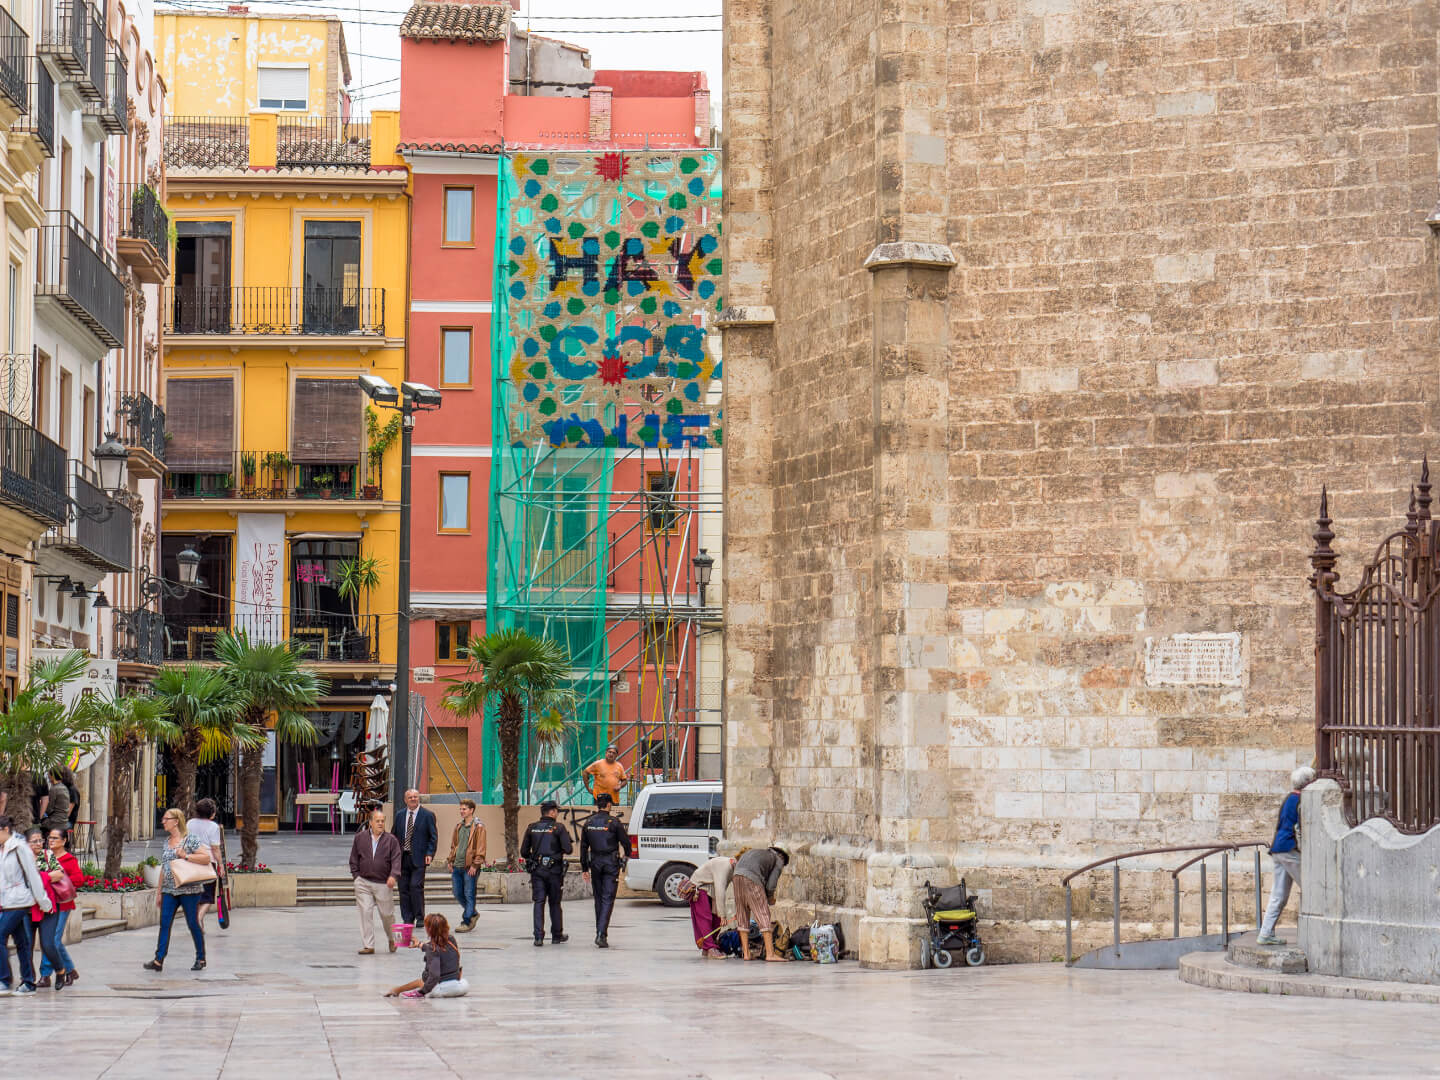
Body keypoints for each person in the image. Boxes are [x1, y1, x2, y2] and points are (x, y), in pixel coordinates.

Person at [143, 807, 212, 973]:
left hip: (189, 890)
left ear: (176, 821)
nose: (163, 822)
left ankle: (201, 957)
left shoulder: (190, 840)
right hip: (169, 890)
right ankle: (159, 959)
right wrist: (159, 891)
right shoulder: (166, 842)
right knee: (165, 924)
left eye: (166, 819)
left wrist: (185, 855)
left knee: (192, 923)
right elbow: (164, 868)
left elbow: (206, 858)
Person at [1257, 766, 1316, 945]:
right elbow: (1298, 829)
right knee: (1313, 888)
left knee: (1279, 894)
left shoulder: (1289, 798)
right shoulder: (1301, 801)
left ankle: (1265, 933)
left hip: (1278, 848)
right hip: (1290, 849)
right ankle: (1314, 932)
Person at [0, 815, 51, 995]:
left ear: (6, 830)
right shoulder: (3, 849)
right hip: (7, 902)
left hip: (20, 901)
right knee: (22, 943)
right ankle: (28, 983)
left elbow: (33, 875)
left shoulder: (20, 848)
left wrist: (44, 902)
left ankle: (4, 980)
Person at [579, 793, 629, 948]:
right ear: (608, 805)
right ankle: (601, 933)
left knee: (599, 899)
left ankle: (600, 931)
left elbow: (583, 847)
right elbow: (626, 843)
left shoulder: (589, 822)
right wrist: (625, 856)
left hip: (595, 862)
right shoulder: (614, 822)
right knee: (608, 898)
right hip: (610, 863)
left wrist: (584, 867)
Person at [520, 801, 573, 946]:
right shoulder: (559, 828)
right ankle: (557, 935)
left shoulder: (532, 827)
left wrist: (536, 857)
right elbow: (568, 850)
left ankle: (538, 936)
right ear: (552, 812)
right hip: (554, 871)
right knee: (555, 903)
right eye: (556, 811)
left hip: (537, 871)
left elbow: (524, 852)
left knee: (539, 902)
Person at [350, 807, 401, 955]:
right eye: (377, 821)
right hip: (363, 882)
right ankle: (368, 945)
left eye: (382, 821)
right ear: (370, 822)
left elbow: (396, 860)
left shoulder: (391, 840)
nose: (380, 823)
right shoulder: (360, 837)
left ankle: (394, 940)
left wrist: (393, 875)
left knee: (388, 915)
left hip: (384, 883)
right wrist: (356, 877)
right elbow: (353, 858)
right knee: (365, 912)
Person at [36, 828, 81, 988]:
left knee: (53, 940)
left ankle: (45, 975)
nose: (51, 840)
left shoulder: (69, 859)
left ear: (64, 841)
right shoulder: (44, 856)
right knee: (51, 941)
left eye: (55, 838)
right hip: (47, 903)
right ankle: (69, 970)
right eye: (50, 838)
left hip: (62, 904)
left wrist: (59, 877)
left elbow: (79, 879)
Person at [384, 913, 468, 999]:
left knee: (422, 982)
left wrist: (421, 992)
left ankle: (396, 990)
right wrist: (419, 944)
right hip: (460, 986)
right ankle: (396, 990)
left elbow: (435, 975)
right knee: (423, 981)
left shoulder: (432, 949)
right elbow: (435, 947)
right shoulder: (451, 939)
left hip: (442, 990)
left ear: (429, 930)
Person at [733, 846, 790, 962]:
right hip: (752, 879)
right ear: (783, 856)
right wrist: (770, 898)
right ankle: (770, 954)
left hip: (736, 876)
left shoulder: (758, 852)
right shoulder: (778, 860)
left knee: (742, 914)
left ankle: (746, 953)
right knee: (763, 914)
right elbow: (771, 884)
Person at [26, 829, 67, 991]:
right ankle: (28, 978)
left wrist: (38, 878)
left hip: (48, 907)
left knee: (48, 944)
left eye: (40, 840)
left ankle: (60, 970)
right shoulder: (22, 858)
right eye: (34, 841)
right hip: (26, 908)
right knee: (26, 945)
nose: (38, 844)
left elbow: (59, 874)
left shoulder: (48, 855)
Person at [391, 788, 437, 930]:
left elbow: (433, 837)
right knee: (403, 889)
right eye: (410, 797)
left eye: (415, 797)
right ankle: (407, 918)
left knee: (415, 887)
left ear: (419, 799)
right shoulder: (399, 815)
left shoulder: (428, 815)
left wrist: (430, 853)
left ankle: (419, 917)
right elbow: (393, 836)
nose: (413, 799)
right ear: (405, 800)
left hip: (419, 858)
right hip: (402, 858)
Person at [445, 799, 486, 933]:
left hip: (470, 867)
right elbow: (454, 846)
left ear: (471, 810)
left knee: (469, 894)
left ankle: (467, 921)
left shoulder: (479, 827)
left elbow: (481, 848)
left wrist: (475, 864)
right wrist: (450, 861)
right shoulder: (458, 826)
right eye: (461, 809)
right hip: (457, 866)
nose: (461, 811)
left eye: (464, 809)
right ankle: (473, 913)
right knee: (457, 893)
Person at [687, 854, 736, 958]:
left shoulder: (734, 869)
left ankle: (708, 947)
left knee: (717, 920)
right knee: (705, 918)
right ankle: (710, 948)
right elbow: (720, 890)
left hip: (711, 890)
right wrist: (723, 914)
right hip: (700, 887)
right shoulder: (725, 866)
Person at [187, 798, 225, 930]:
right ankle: (198, 919)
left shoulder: (190, 823)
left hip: (192, 862)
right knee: (208, 897)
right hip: (208, 863)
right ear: (212, 813)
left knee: (197, 894)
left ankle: (200, 924)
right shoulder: (213, 827)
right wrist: (221, 865)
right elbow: (215, 848)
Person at [41, 769, 71, 834]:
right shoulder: (64, 788)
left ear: (53, 776)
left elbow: (49, 809)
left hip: (55, 822)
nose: (48, 778)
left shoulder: (54, 789)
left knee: (38, 822)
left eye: (49, 776)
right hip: (64, 822)